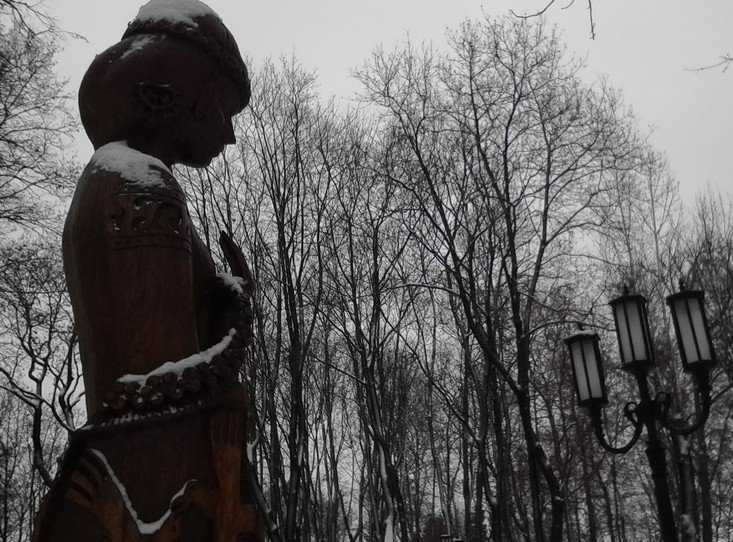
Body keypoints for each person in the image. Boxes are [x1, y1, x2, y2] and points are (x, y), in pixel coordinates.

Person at [36, 2, 263, 540]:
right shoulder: (143, 188)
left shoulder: (115, 177)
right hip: (157, 481)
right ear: (162, 97)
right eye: (222, 110)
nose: (230, 135)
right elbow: (159, 378)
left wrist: (222, 299)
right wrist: (233, 319)